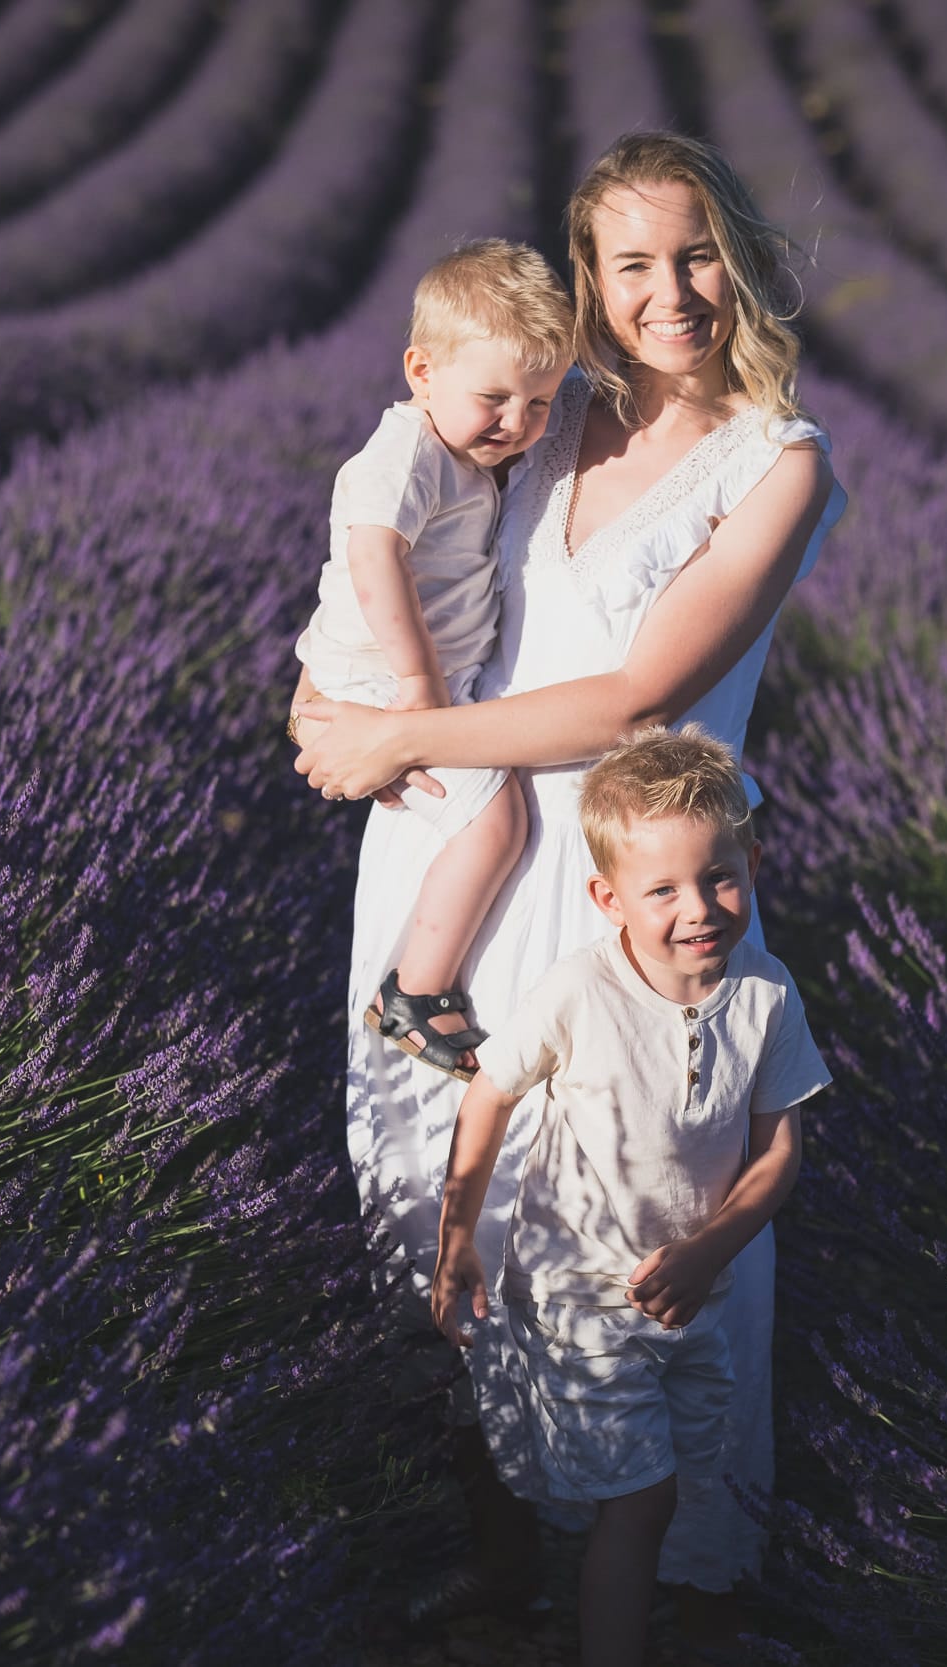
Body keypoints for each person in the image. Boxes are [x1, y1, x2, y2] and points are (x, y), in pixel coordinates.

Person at [296, 130, 848, 1626]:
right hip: (456, 866)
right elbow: (392, 554)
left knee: (628, 1223)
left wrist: (399, 733)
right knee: (446, 1204)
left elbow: (636, 699)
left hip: (628, 897)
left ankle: (639, 1596)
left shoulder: (779, 464)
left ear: (743, 258)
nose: (673, 291)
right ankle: (494, 1561)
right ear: (590, 283)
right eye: (633, 263)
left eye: (698, 254)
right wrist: (326, 698)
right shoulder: (543, 414)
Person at [433, 728, 826, 1667]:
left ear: (753, 864)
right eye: (663, 890)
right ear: (609, 899)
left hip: (692, 1293)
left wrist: (710, 1249)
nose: (699, 908)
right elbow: (488, 1093)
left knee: (680, 1484)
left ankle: (645, 1615)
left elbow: (779, 1150)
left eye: (719, 877)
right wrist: (458, 1238)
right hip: (582, 1293)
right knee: (641, 1501)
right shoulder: (580, 989)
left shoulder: (767, 993)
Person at [291, 239, 572, 1079]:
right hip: (385, 681)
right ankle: (414, 991)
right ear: (421, 371)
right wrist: (419, 688)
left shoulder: (463, 455)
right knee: (497, 820)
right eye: (494, 397)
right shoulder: (407, 453)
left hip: (410, 679)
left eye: (540, 403)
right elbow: (373, 554)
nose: (517, 422)